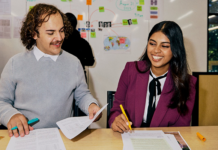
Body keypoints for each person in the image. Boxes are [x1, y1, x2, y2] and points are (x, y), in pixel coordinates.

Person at [0, 3, 101, 138]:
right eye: (51, 32)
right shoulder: (15, 63)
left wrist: (91, 105)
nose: (59, 38)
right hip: (25, 137)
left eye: (61, 30)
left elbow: (82, 94)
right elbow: (2, 101)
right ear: (34, 34)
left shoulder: (74, 63)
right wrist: (12, 115)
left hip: (62, 137)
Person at [108, 21, 197, 133]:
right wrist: (115, 121)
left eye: (164, 46)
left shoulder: (188, 83)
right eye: (152, 43)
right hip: (130, 137)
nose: (156, 50)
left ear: (175, 50)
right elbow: (116, 109)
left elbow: (181, 129)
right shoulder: (130, 70)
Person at [61, 13, 95, 81]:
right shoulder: (84, 43)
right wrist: (80, 60)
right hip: (80, 76)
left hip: (62, 77)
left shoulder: (59, 43)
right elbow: (91, 62)